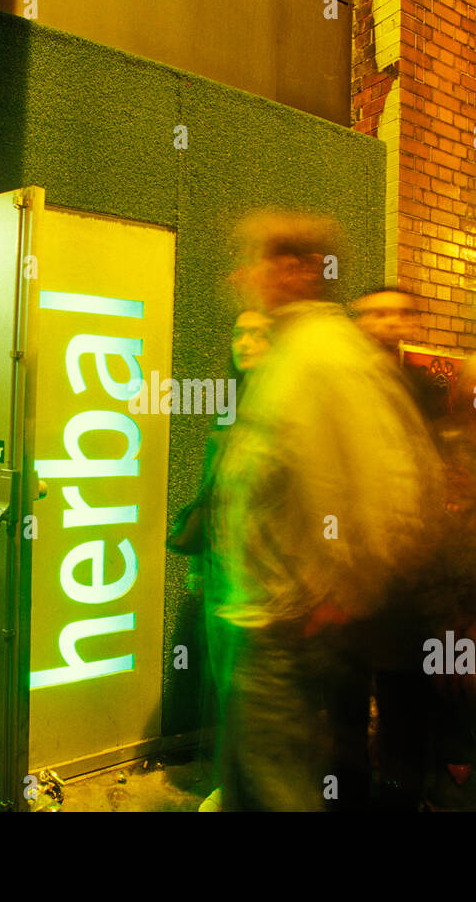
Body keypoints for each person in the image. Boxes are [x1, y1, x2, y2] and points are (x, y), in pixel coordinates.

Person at [210, 211, 444, 811]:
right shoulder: (292, 352)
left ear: (293, 269)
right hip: (265, 620)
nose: (242, 275)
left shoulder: (323, 357)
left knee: (280, 788)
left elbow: (393, 487)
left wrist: (340, 594)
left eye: (254, 260)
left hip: (288, 627)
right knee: (258, 784)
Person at [167, 309, 272, 812]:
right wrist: (195, 564)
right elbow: (213, 487)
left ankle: (251, 787)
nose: (246, 341)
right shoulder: (231, 405)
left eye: (260, 333)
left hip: (266, 572)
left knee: (257, 687)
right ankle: (234, 783)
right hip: (221, 566)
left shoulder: (287, 405)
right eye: (239, 332)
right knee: (227, 682)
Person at [352, 286, 448, 421]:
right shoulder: (344, 374)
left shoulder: (420, 383)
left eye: (404, 314)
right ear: (361, 321)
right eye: (380, 314)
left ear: (414, 324)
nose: (393, 322)